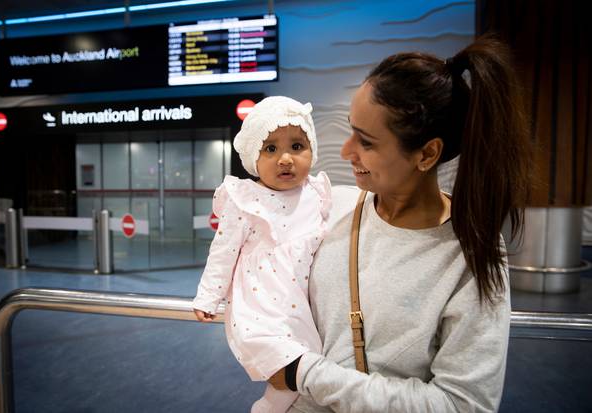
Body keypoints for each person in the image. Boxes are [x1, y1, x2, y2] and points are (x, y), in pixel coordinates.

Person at [267, 36, 532, 412]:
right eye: (350, 128)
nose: (345, 151)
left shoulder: (470, 255)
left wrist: (304, 374)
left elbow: (462, 404)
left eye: (367, 142)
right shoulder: (331, 206)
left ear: (427, 154)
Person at [192, 96, 331, 413]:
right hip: (262, 301)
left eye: (297, 147)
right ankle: (270, 404)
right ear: (253, 156)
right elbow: (223, 252)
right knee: (282, 360)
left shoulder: (317, 193)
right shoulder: (246, 200)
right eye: (271, 149)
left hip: (306, 301)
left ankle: (273, 405)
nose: (285, 159)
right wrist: (207, 296)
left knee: (311, 360)